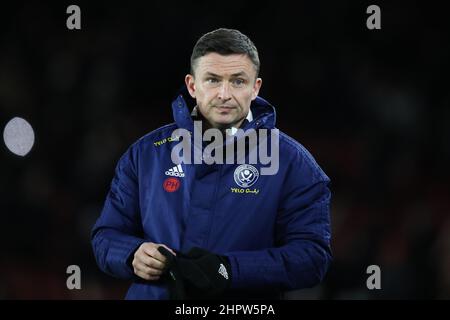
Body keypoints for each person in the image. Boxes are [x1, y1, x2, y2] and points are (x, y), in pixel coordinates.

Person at [91, 28, 332, 300]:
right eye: (213, 80)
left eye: (238, 81)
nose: (224, 94)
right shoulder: (145, 154)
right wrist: (131, 254)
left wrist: (231, 270)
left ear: (256, 88)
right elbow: (105, 236)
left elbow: (313, 257)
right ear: (193, 85)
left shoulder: (294, 164)